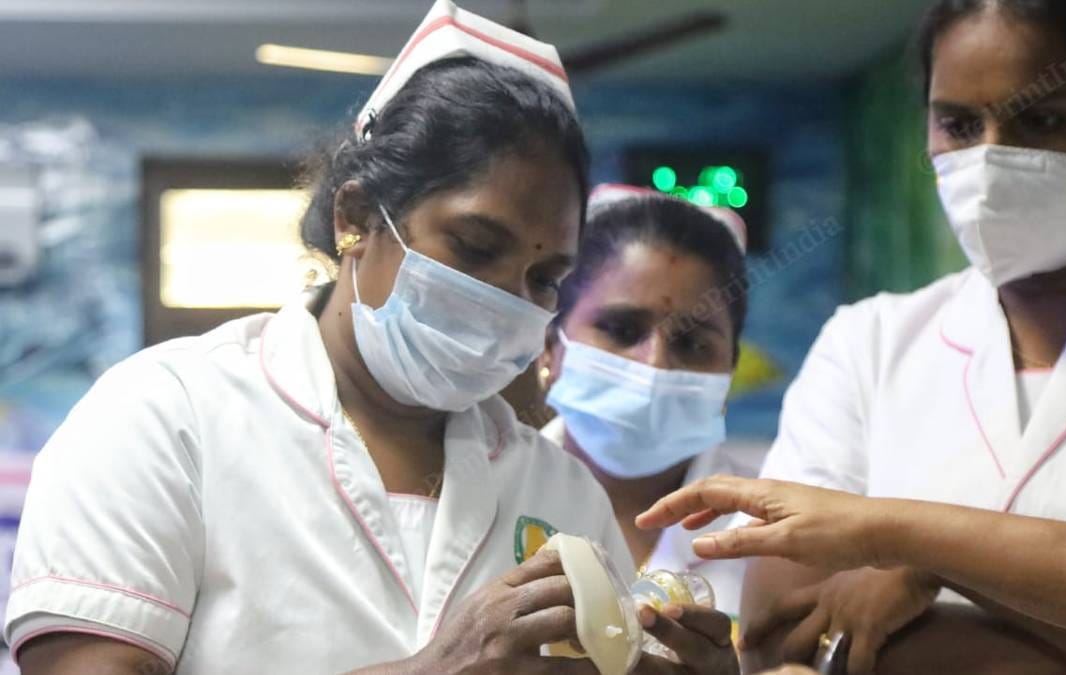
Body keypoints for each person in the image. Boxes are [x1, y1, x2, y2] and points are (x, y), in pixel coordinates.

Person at [4, 2, 736, 674]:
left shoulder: (555, 488)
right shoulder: (164, 417)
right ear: (355, 217)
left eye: (544, 277)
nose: (506, 302)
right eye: (475, 248)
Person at [637, 0, 1066, 671]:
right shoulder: (869, 343)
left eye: (1042, 119)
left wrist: (926, 558)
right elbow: (774, 631)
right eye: (959, 124)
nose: (990, 158)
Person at [538, 184, 761, 627]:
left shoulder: (769, 532)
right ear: (550, 347)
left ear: (729, 370)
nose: (654, 365)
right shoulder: (481, 500)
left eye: (694, 343)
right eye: (621, 329)